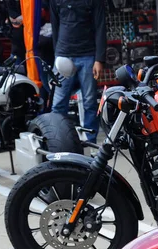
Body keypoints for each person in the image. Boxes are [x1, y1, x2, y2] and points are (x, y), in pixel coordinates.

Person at [50, 0, 106, 143]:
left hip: (87, 55)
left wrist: (99, 59)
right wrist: (57, 54)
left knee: (89, 102)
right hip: (63, 54)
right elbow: (54, 25)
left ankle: (90, 141)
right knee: (58, 103)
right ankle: (57, 141)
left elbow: (100, 26)